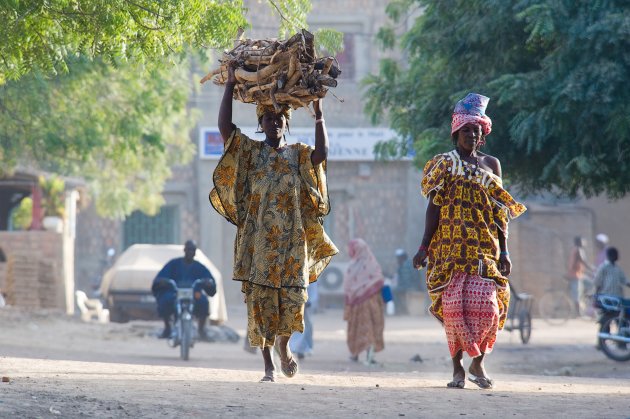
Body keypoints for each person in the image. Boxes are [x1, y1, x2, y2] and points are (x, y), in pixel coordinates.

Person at [210, 65, 338, 382]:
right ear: (261, 123)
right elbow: (225, 127)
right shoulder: (251, 154)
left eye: (280, 119)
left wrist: (319, 114)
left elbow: (322, 153)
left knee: (295, 300)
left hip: (292, 243)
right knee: (261, 304)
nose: (275, 122)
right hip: (259, 244)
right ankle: (268, 365)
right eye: (269, 118)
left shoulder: (297, 155)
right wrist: (228, 85)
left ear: (286, 124)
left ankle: (284, 346)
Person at [412, 93, 526, 390]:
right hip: (449, 250)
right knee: (454, 313)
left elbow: (499, 210)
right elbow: (434, 207)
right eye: (466, 130)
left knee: (489, 308)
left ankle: (477, 362)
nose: (472, 134)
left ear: (483, 133)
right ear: (456, 132)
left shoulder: (492, 164)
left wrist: (505, 251)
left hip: (484, 249)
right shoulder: (443, 164)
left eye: (476, 130)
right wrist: (424, 246)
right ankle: (457, 371)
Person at [151, 240, 217, 339]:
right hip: (175, 292)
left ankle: (201, 329)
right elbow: (162, 276)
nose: (191, 252)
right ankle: (167, 328)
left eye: (193, 250)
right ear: (184, 250)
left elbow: (208, 278)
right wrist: (162, 281)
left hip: (194, 293)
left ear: (195, 252)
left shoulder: (199, 267)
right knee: (165, 300)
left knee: (203, 301)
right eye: (189, 249)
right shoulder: (174, 264)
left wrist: (208, 282)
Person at [344, 238, 385, 365]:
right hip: (372, 301)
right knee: (370, 327)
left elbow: (348, 286)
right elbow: (379, 280)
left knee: (356, 327)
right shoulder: (373, 264)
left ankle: (354, 354)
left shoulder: (351, 266)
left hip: (357, 303)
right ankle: (369, 355)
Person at [566, 236, 595, 315]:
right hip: (575, 275)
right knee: (577, 295)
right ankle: (578, 313)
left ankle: (584, 298)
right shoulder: (578, 250)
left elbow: (580, 264)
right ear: (579, 242)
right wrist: (592, 269)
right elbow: (584, 261)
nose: (584, 242)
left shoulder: (577, 250)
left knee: (591, 285)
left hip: (580, 275)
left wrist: (589, 272)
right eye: (583, 241)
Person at [289, 282, 318, 360]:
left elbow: (313, 290)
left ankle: (300, 349)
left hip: (305, 303)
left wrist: (309, 301)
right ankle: (296, 348)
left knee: (305, 325)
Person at [393, 248, 425, 315]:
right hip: (416, 286)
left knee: (394, 291)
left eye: (399, 258)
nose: (397, 259)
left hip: (411, 287)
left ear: (403, 257)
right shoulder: (409, 262)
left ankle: (400, 310)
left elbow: (406, 281)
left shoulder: (405, 266)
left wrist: (398, 286)